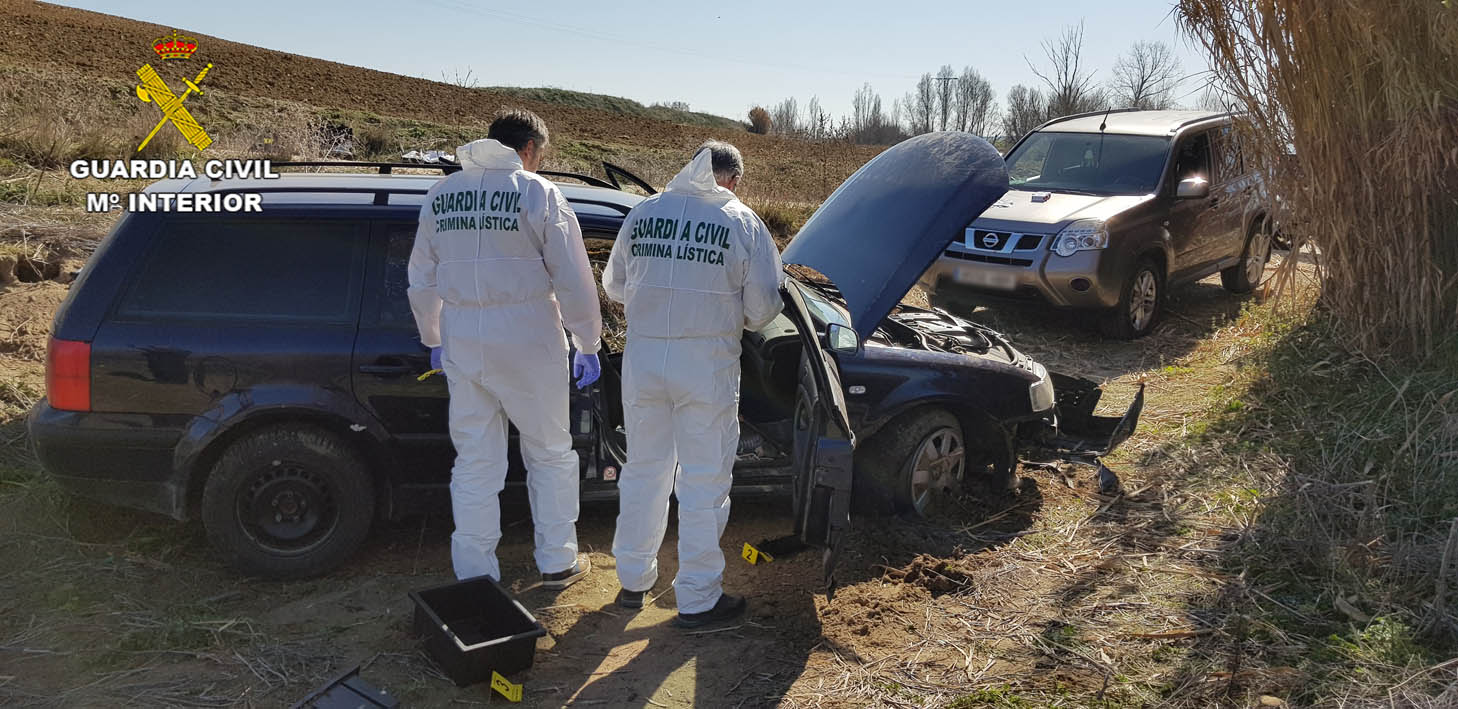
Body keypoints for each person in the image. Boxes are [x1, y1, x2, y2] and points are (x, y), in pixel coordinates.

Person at [408, 109, 602, 588]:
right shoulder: (539, 193)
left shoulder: (441, 194)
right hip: (528, 336)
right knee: (550, 452)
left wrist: (432, 335)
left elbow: (421, 277)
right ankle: (557, 562)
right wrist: (588, 342)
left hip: (462, 338)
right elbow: (573, 278)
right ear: (530, 150)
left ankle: (475, 574)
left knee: (475, 461)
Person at [603, 140, 783, 627]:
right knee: (703, 481)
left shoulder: (644, 213)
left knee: (644, 471)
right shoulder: (742, 222)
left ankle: (633, 580)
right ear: (733, 179)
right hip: (706, 365)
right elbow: (764, 307)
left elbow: (615, 285)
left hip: (643, 361)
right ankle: (699, 599)